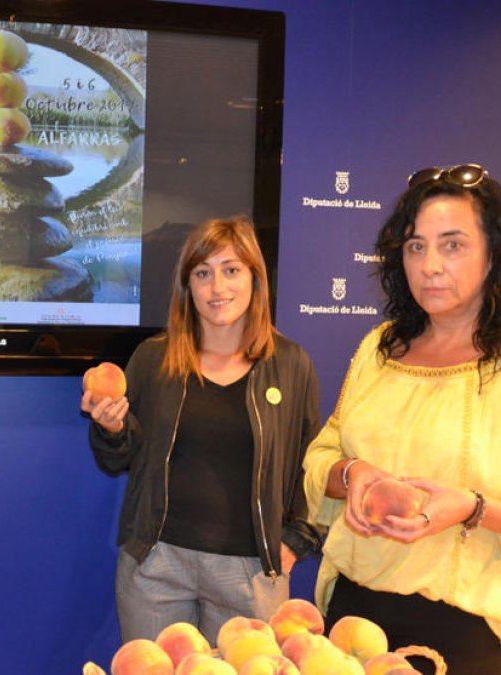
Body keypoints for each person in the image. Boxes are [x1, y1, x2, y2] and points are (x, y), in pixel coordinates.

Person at [303, 164, 501, 674]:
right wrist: (353, 475)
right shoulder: (378, 349)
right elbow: (321, 459)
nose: (430, 265)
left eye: (453, 244)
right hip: (355, 611)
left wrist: (471, 508)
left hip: (470, 624)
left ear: (492, 257)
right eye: (416, 246)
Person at [83, 217, 322, 644]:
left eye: (231, 270)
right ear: (187, 284)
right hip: (157, 566)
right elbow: (117, 458)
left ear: (255, 279)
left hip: (250, 573)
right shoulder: (152, 360)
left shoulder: (290, 365)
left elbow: (313, 460)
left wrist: (295, 541)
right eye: (203, 273)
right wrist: (111, 427)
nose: (217, 288)